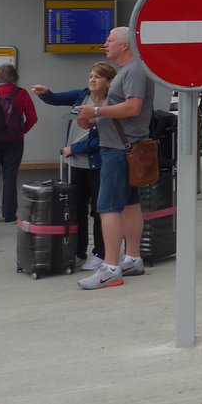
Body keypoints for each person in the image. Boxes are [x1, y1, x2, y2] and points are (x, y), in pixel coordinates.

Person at [74, 27, 154, 290]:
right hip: (124, 147)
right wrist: (98, 119)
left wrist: (95, 109)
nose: (105, 44)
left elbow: (133, 107)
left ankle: (109, 268)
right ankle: (132, 259)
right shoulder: (130, 71)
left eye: (110, 40)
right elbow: (126, 110)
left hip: (118, 151)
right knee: (130, 204)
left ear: (125, 45)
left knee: (107, 207)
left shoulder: (133, 71)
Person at [32, 61, 116, 270]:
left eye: (97, 76)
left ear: (109, 81)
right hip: (76, 165)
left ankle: (100, 253)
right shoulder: (82, 96)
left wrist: (75, 149)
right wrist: (45, 93)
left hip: (98, 164)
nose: (92, 80)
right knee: (76, 209)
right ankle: (78, 252)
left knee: (99, 211)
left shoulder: (112, 105)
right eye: (91, 76)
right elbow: (56, 99)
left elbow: (106, 138)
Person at [0, 64, 38, 225]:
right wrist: (22, 130)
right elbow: (32, 118)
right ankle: (9, 215)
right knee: (10, 176)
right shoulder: (21, 94)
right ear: (15, 77)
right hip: (14, 141)